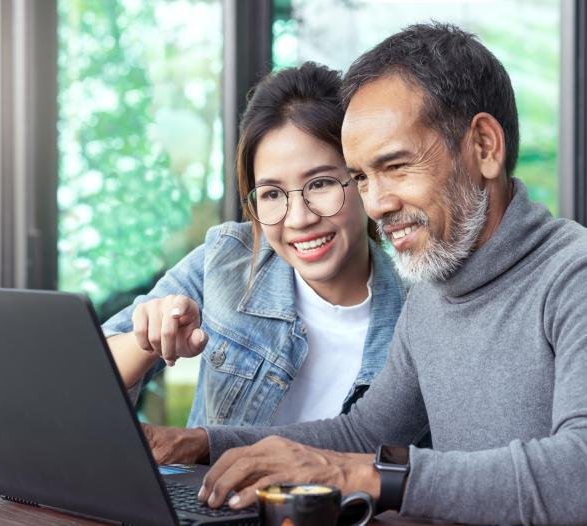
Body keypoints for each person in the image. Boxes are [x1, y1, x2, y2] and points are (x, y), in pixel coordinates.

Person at [142, 23, 587, 525]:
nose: (376, 205)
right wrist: (200, 443)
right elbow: (363, 434)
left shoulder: (573, 276)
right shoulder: (433, 295)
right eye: (360, 178)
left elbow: (578, 474)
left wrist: (357, 475)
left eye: (395, 167)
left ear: (484, 146)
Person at [102, 62, 406, 429]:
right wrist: (147, 340)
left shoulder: (415, 314)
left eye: (321, 184)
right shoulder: (227, 260)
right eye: (272, 194)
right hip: (213, 488)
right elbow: (85, 381)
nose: (298, 219)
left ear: (362, 179)